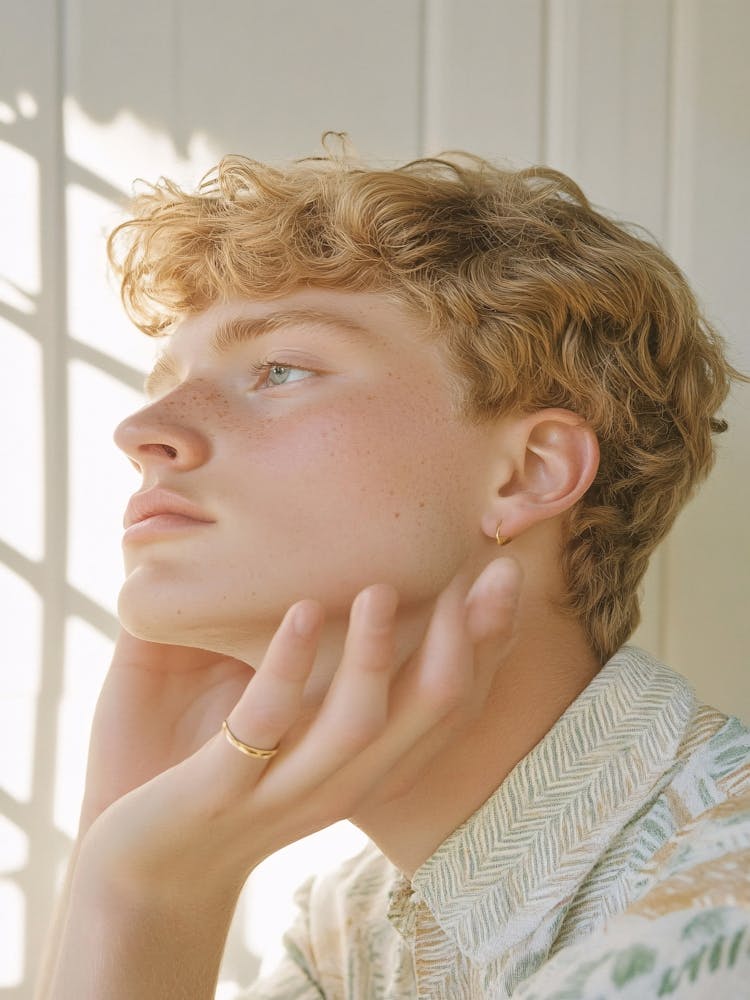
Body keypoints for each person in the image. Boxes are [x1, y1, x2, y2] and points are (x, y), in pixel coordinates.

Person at [35, 134, 750, 999]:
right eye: (165, 379)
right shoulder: (349, 933)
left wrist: (145, 895)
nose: (143, 432)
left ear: (531, 472)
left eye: (280, 368)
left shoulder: (724, 901)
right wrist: (130, 838)